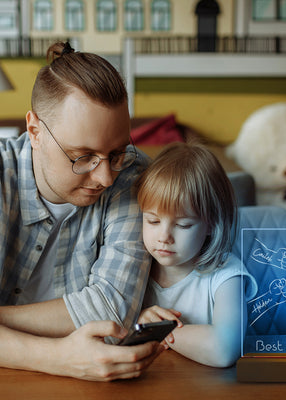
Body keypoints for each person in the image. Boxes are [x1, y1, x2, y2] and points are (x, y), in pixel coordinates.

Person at [0, 42, 162, 381]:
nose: (105, 177)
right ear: (35, 131)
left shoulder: (132, 176)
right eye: (81, 156)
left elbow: (111, 310)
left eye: (116, 153)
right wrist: (57, 357)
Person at [136, 142, 257, 367]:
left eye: (182, 225)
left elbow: (224, 349)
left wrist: (154, 330)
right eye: (153, 220)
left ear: (211, 224)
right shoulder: (134, 268)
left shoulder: (227, 275)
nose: (164, 237)